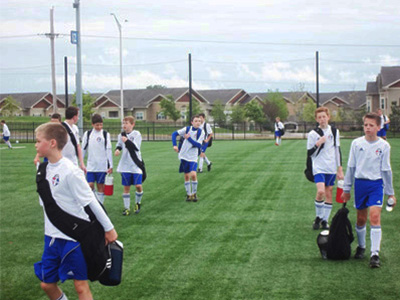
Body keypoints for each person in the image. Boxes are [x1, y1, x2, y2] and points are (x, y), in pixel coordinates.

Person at [34, 122, 118, 300]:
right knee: (47, 284)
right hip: (51, 238)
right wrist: (38, 170)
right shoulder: (42, 170)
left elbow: (91, 202)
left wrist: (109, 229)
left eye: (38, 140)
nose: (35, 144)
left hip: (74, 238)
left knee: (81, 286)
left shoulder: (71, 171)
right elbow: (45, 204)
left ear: (52, 143)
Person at [342, 112, 396, 268]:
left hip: (376, 185)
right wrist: (346, 188)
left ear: (379, 127)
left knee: (374, 217)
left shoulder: (384, 146)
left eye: (371, 125)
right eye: (365, 125)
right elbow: (351, 167)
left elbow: (386, 170)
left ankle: (374, 254)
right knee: (361, 219)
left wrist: (390, 192)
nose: (368, 128)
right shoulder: (357, 144)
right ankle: (361, 247)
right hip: (360, 184)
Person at [307, 107, 344, 230]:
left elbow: (337, 150)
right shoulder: (313, 134)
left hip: (331, 167)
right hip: (318, 166)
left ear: (328, 117)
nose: (322, 119)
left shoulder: (334, 131)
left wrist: (339, 168)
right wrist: (318, 143)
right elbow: (310, 153)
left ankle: (325, 221)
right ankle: (318, 217)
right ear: (316, 120)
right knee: (321, 191)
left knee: (329, 193)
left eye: (324, 116)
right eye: (319, 117)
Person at [115, 116, 144, 216]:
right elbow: (119, 144)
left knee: (138, 186)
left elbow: (136, 147)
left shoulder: (137, 134)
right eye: (123, 123)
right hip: (125, 165)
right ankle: (126, 208)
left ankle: (137, 202)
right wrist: (118, 149)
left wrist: (127, 141)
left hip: (135, 164)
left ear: (132, 124)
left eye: (127, 123)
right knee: (126, 187)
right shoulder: (121, 135)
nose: (125, 125)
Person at [172, 115, 205, 202]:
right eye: (196, 121)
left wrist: (189, 138)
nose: (198, 122)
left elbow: (198, 145)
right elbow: (174, 134)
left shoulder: (201, 132)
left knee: (193, 174)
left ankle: (194, 194)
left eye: (199, 121)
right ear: (192, 122)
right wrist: (174, 145)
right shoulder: (187, 129)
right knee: (187, 176)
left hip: (193, 156)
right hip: (184, 155)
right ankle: (189, 195)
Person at [82, 114, 113, 204]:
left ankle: (100, 206)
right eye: (97, 125)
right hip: (91, 166)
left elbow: (108, 150)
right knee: (90, 185)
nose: (99, 127)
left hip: (102, 166)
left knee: (100, 186)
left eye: (101, 124)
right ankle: (95, 203)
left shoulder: (105, 134)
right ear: (92, 124)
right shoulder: (87, 134)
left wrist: (110, 165)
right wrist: (81, 162)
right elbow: (83, 149)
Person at [62, 107, 86, 173]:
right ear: (74, 117)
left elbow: (78, 146)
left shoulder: (75, 128)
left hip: (73, 162)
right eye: (78, 116)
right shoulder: (61, 128)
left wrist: (82, 163)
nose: (78, 118)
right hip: (63, 162)